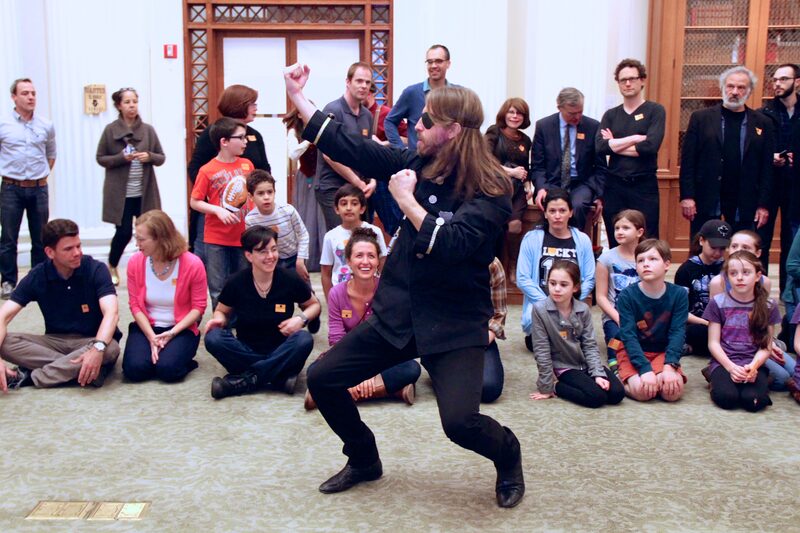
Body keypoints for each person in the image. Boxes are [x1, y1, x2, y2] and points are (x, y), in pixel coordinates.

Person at [284, 64, 525, 508]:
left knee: (460, 423)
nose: (416, 124)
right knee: (323, 379)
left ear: (451, 130)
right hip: (400, 311)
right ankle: (364, 458)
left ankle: (509, 455)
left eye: (427, 120)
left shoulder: (491, 187)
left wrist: (406, 200)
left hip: (453, 322)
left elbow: (451, 244)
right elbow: (350, 145)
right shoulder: (416, 161)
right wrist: (298, 96)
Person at [305, 227, 420, 410]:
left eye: (371, 256)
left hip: (383, 358)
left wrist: (369, 376)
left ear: (378, 261)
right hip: (349, 356)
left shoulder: (390, 290)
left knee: (412, 369)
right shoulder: (337, 293)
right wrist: (360, 375)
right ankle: (391, 391)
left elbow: (394, 336)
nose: (365, 261)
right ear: (349, 261)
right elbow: (336, 339)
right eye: (359, 256)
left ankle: (335, 394)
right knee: (314, 372)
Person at [0, 219, 120, 391]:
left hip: (91, 339)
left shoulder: (96, 269)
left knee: (110, 348)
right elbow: (3, 316)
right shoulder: (38, 275)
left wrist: (97, 347)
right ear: (50, 252)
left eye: (78, 246)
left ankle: (31, 377)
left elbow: (112, 313)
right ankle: (87, 370)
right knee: (5, 342)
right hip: (55, 341)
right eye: (69, 249)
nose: (77, 252)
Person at [204, 225, 320, 399]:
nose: (271, 256)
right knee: (213, 338)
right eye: (263, 252)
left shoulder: (289, 278)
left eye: (274, 250)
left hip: (282, 349)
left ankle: (244, 380)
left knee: (303, 339)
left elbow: (315, 306)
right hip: (246, 350)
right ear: (249, 255)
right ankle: (277, 378)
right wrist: (218, 320)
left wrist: (301, 318)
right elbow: (221, 311)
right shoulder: (236, 282)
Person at [679, 66, 775, 239]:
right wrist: (687, 196)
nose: (735, 92)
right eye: (730, 86)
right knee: (704, 250)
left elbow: (767, 168)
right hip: (707, 197)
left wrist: (763, 205)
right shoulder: (701, 118)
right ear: (723, 87)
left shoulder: (763, 123)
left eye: (741, 87)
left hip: (745, 200)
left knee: (742, 250)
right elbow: (688, 161)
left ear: (749, 91)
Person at [122, 210, 207, 383]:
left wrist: (171, 333)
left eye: (141, 239)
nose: (136, 243)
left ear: (160, 238)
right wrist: (151, 337)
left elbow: (198, 308)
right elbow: (135, 305)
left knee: (168, 371)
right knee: (134, 371)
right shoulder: (135, 263)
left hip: (180, 328)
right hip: (147, 326)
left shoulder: (192, 264)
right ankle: (158, 353)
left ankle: (180, 357)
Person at [187, 84, 271, 260]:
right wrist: (217, 195)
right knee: (213, 262)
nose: (256, 108)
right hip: (216, 212)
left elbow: (264, 169)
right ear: (239, 105)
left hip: (245, 214)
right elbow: (195, 168)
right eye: (252, 104)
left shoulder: (255, 135)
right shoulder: (214, 133)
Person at [530, 260, 625, 408]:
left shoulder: (583, 309)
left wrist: (597, 374)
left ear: (575, 287)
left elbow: (589, 344)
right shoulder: (539, 310)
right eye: (552, 283)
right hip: (564, 366)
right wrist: (546, 386)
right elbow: (541, 350)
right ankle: (558, 386)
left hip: (585, 363)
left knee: (617, 394)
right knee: (596, 398)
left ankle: (593, 378)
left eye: (563, 284)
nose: (556, 289)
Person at [96, 87, 165, 286]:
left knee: (150, 232)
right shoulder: (110, 130)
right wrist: (121, 158)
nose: (132, 105)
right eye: (127, 102)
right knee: (124, 231)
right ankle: (112, 264)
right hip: (121, 194)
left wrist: (149, 156)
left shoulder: (148, 130)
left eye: (134, 101)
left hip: (144, 192)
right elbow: (101, 158)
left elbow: (161, 157)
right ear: (119, 106)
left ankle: (151, 269)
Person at [516, 189, 596, 352]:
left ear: (571, 213)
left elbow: (589, 278)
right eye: (552, 211)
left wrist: (570, 301)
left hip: (571, 305)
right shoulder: (531, 239)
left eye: (562, 211)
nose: (557, 216)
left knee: (576, 342)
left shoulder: (582, 240)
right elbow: (523, 278)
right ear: (545, 213)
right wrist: (549, 305)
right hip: (541, 306)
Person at [596, 59, 665, 246]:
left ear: (642, 80)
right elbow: (601, 147)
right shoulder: (611, 115)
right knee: (615, 235)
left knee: (647, 238)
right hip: (615, 185)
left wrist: (615, 144)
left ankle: (646, 274)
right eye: (622, 80)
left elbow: (650, 147)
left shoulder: (655, 111)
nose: (627, 83)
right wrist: (635, 138)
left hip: (644, 185)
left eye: (632, 79)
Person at [0, 78, 56, 299]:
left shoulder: (45, 124)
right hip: (11, 188)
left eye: (33, 93)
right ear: (14, 97)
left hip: (39, 188)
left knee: (41, 238)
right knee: (8, 237)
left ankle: (37, 279)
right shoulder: (3, 123)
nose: (31, 97)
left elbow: (51, 155)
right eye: (25, 93)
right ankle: (8, 281)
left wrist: (38, 176)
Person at [189, 117, 253, 308]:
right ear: (224, 142)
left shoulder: (247, 165)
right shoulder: (207, 170)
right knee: (218, 285)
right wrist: (216, 210)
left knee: (243, 280)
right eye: (240, 138)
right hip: (216, 238)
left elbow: (252, 194)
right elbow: (195, 201)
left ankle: (242, 322)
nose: (245, 142)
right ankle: (221, 323)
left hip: (243, 234)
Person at [704, 251, 779, 411]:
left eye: (746, 272)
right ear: (727, 277)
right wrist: (731, 367)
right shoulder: (718, 303)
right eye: (733, 273)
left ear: (758, 276)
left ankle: (764, 380)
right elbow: (713, 343)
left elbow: (766, 346)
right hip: (724, 362)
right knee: (727, 399)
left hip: (753, 362)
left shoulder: (769, 306)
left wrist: (753, 367)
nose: (739, 277)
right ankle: (712, 375)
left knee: (753, 402)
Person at [615, 239, 688, 402]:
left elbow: (678, 332)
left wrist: (670, 366)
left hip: (662, 352)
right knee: (643, 392)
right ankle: (620, 377)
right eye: (640, 260)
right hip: (633, 351)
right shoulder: (627, 296)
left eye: (653, 259)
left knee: (672, 393)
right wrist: (644, 369)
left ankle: (659, 373)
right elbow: (628, 336)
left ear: (667, 264)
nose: (646, 264)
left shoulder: (679, 294)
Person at [532, 87, 607, 231]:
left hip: (582, 184)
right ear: (559, 107)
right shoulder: (544, 126)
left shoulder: (593, 126)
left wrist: (599, 195)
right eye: (572, 113)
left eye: (580, 112)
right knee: (555, 207)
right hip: (553, 183)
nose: (577, 117)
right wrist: (541, 188)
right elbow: (538, 165)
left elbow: (600, 167)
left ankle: (575, 245)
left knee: (577, 205)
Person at [316, 62, 376, 230]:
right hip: (332, 186)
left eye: (367, 82)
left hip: (359, 187)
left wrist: (373, 180)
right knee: (340, 241)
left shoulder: (367, 115)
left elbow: (369, 152)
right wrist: (357, 181)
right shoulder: (333, 109)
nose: (364, 86)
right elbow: (328, 155)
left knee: (361, 239)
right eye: (359, 81)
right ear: (348, 82)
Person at [758, 63, 800, 288]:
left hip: (796, 185)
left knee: (792, 239)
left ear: (797, 82)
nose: (777, 84)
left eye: (783, 79)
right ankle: (759, 289)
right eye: (775, 80)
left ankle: (789, 291)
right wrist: (771, 157)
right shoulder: (764, 113)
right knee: (761, 238)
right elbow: (755, 150)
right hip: (769, 184)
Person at [595, 209, 645, 371]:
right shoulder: (606, 258)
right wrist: (618, 318)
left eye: (625, 228)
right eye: (617, 228)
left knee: (648, 341)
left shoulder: (648, 257)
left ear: (639, 232)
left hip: (641, 315)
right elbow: (601, 297)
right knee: (616, 341)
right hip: (614, 316)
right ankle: (614, 365)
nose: (619, 232)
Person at [674, 219, 731, 358]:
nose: (718, 253)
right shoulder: (686, 270)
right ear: (701, 241)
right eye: (713, 247)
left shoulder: (729, 268)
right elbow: (681, 311)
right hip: (698, 322)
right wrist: (709, 323)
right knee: (697, 333)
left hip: (726, 323)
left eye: (722, 248)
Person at [320, 184, 387, 300]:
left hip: (371, 292)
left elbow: (383, 265)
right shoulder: (330, 237)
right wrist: (330, 300)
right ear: (336, 209)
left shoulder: (375, 232)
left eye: (354, 203)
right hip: (342, 295)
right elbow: (326, 273)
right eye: (344, 203)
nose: (349, 208)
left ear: (362, 208)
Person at [384, 44, 455, 150]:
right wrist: (401, 150)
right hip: (418, 161)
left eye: (439, 61)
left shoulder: (457, 96)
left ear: (448, 64)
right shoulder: (412, 93)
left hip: (448, 161)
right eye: (430, 62)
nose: (433, 65)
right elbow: (390, 121)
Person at [283, 106, 325, 272]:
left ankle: (323, 259)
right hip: (306, 176)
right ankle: (307, 260)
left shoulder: (321, 129)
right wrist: (309, 140)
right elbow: (293, 154)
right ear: (300, 114)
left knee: (321, 217)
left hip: (323, 176)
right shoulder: (294, 132)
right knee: (305, 216)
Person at [365, 80, 408, 236]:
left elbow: (407, 138)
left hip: (383, 176)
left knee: (393, 221)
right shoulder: (355, 115)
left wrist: (383, 144)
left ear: (370, 91)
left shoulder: (387, 114)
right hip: (361, 175)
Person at [485, 98, 531, 236]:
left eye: (520, 113)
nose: (515, 116)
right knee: (495, 225)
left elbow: (525, 168)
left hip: (517, 190)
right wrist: (511, 172)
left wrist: (528, 185)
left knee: (515, 226)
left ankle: (509, 258)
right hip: (495, 186)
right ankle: (497, 256)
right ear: (504, 114)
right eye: (511, 112)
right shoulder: (494, 131)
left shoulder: (526, 140)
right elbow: (485, 160)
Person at [484, 257, 508, 403]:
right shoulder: (439, 254)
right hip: (444, 337)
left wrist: (483, 340)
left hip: (479, 335)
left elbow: (498, 314)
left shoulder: (492, 263)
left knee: (490, 388)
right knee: (453, 387)